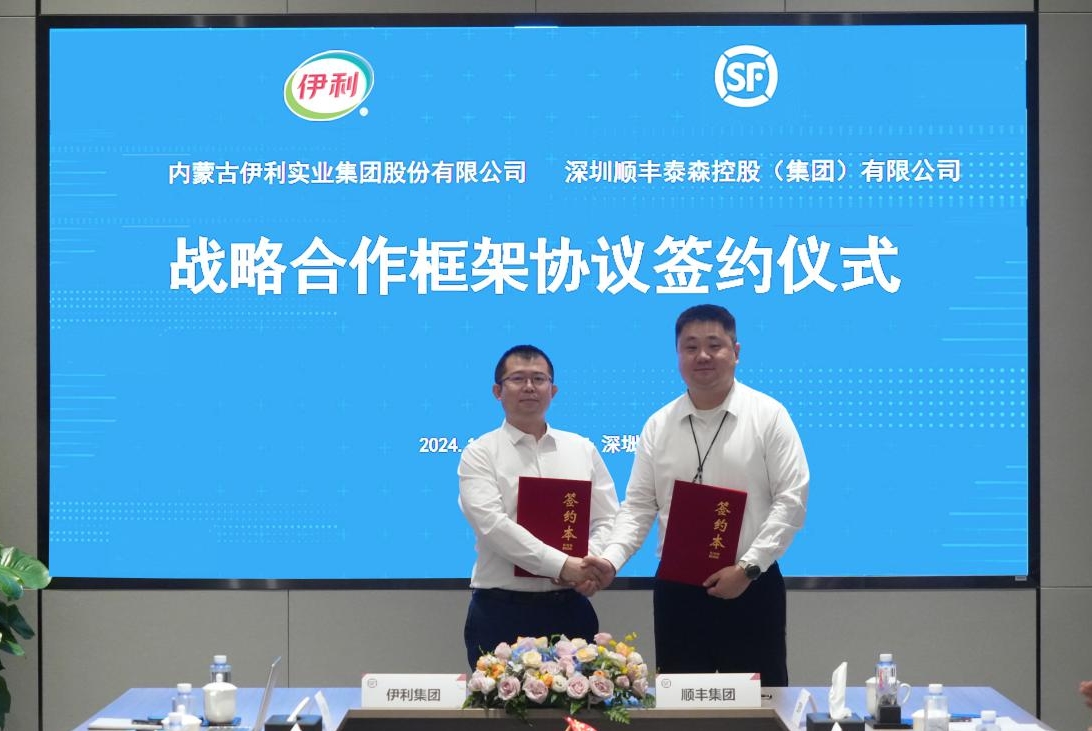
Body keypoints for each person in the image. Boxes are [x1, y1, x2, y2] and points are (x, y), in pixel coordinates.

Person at [587, 304, 809, 685]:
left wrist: (748, 568)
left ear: (736, 352)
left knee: (759, 702)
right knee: (682, 701)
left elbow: (792, 499)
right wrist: (611, 559)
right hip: (679, 590)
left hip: (751, 583)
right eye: (690, 347)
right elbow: (638, 506)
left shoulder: (768, 416)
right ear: (677, 355)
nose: (702, 356)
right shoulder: (658, 425)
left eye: (714, 345)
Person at [458, 344, 619, 669]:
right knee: (498, 703)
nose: (529, 387)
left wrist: (588, 563)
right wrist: (562, 565)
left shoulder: (582, 449)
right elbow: (493, 526)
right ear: (497, 391)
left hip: (570, 606)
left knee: (579, 701)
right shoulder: (480, 453)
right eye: (518, 378)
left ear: (553, 390)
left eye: (539, 379)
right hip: (501, 610)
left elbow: (608, 518)